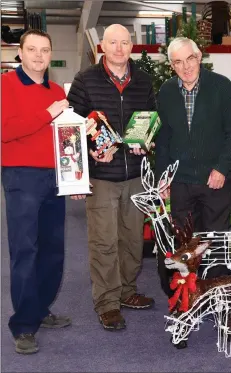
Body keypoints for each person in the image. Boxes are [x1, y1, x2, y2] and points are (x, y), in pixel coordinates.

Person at [68, 24, 156, 331]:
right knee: (103, 241)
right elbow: (71, 128)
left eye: (125, 43)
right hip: (102, 176)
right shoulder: (85, 80)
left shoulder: (143, 81)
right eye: (113, 42)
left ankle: (127, 291)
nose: (119, 48)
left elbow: (150, 119)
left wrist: (146, 143)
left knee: (132, 239)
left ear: (132, 46)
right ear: (102, 46)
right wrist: (88, 157)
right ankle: (107, 302)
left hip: (134, 176)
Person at [155, 37, 231, 292]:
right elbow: (163, 139)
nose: (186, 67)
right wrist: (163, 178)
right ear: (172, 66)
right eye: (178, 62)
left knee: (215, 242)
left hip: (214, 180)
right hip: (181, 182)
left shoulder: (220, 86)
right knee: (184, 245)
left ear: (199, 57)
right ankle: (188, 297)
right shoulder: (167, 91)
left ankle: (215, 295)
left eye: (190, 59)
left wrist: (222, 167)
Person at [1, 29, 71, 355]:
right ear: (20, 52)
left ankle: (40, 309)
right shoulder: (6, 85)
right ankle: (24, 324)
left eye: (45, 50)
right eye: (32, 49)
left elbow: (63, 138)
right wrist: (48, 113)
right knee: (25, 251)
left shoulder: (57, 90)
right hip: (22, 178)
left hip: (56, 177)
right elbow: (5, 130)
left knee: (53, 251)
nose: (40, 56)